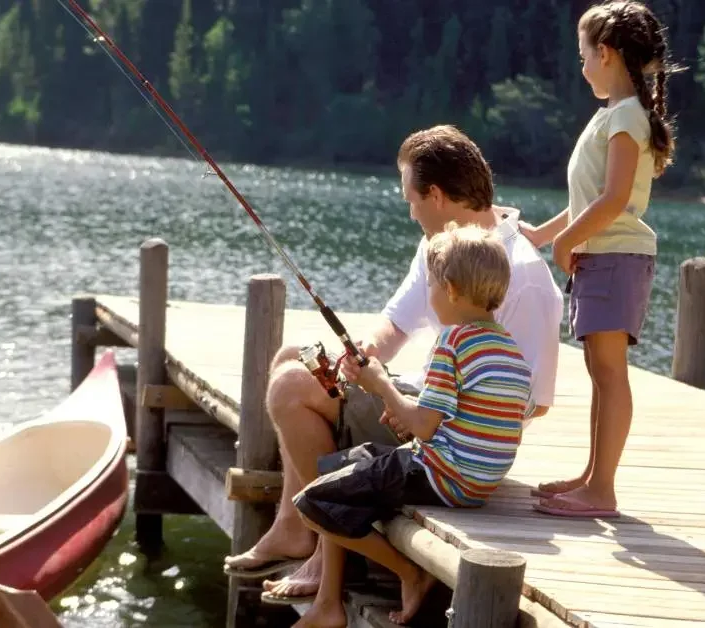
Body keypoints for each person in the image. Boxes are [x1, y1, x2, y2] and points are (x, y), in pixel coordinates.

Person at [223, 125, 563, 603]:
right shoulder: (443, 248)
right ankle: (290, 526)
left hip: (446, 438)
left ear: (438, 195)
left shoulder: (521, 274)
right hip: (427, 400)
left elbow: (527, 402)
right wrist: (358, 361)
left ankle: (323, 550)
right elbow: (395, 324)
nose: (409, 211)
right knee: (291, 358)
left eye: (411, 199)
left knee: (289, 388)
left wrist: (406, 403)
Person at [291, 223, 534, 627]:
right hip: (478, 481)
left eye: (433, 287)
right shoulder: (508, 347)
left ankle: (409, 572)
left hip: (443, 476)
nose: (431, 296)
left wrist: (381, 384)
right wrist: (406, 413)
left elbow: (423, 427)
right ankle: (370, 545)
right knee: (340, 464)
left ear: (452, 290)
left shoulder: (453, 341)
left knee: (311, 503)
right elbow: (453, 417)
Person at [518, 0, 676, 518]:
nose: (581, 65)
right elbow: (588, 200)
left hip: (616, 256)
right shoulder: (616, 114)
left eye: (583, 54)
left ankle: (602, 489)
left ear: (605, 53)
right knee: (599, 372)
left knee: (610, 374)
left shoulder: (627, 117)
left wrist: (567, 245)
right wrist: (545, 234)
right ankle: (591, 476)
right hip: (603, 256)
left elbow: (612, 201)